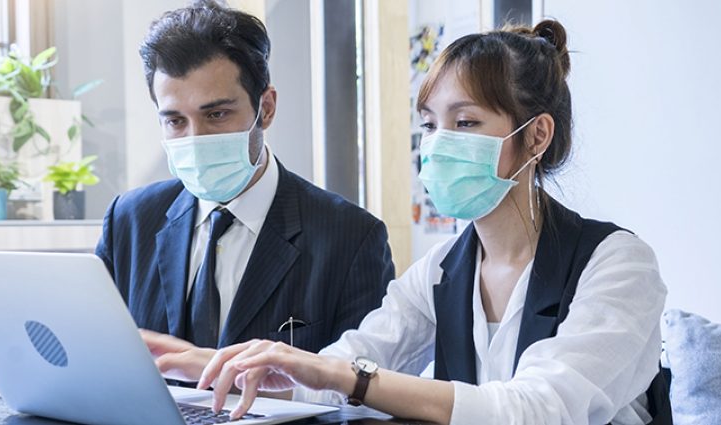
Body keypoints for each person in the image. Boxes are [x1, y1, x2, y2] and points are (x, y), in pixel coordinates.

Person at [189, 20, 672, 424]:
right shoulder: (441, 270)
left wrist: (347, 377)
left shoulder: (616, 265)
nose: (438, 144)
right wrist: (271, 370)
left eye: (464, 123)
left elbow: (539, 408)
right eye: (429, 125)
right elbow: (350, 361)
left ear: (537, 136)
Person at [95, 0, 395, 383]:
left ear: (265, 108)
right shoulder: (130, 220)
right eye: (175, 121)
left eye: (216, 115)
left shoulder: (350, 237)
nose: (195, 138)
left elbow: (363, 395)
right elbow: (95, 358)